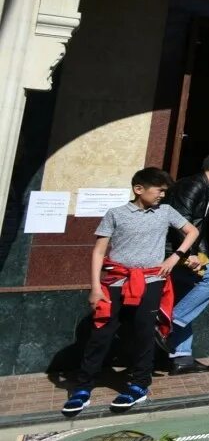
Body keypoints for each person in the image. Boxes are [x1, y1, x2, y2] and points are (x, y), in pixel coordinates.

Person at [63, 167, 201, 416]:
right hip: (116, 281)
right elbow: (98, 252)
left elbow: (192, 231)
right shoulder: (115, 214)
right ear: (139, 189)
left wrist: (175, 258)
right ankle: (83, 388)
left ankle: (139, 385)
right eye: (159, 190)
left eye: (164, 191)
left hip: (151, 280)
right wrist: (96, 287)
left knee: (143, 333)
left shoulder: (166, 212)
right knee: (101, 333)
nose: (162, 195)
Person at [161, 151, 209, 374]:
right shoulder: (192, 186)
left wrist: (203, 257)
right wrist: (189, 254)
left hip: (186, 250)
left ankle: (181, 358)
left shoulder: (207, 190)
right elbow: (180, 221)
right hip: (173, 251)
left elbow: (199, 229)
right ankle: (170, 321)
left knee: (188, 297)